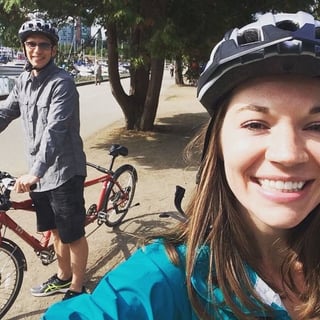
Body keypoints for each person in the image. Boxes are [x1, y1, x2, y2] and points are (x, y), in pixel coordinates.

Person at [43, 11, 320, 319]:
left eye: (317, 126)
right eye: (256, 124)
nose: (288, 154)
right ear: (218, 145)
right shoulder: (166, 278)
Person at [0, 19, 88, 300]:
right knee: (54, 230)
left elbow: (56, 131)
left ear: (53, 49)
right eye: (31, 44)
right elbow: (5, 113)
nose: (36, 50)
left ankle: (77, 286)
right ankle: (62, 277)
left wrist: (35, 172)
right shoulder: (23, 81)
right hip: (39, 174)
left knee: (72, 234)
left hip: (63, 171)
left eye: (43, 44)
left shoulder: (62, 83)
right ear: (23, 47)